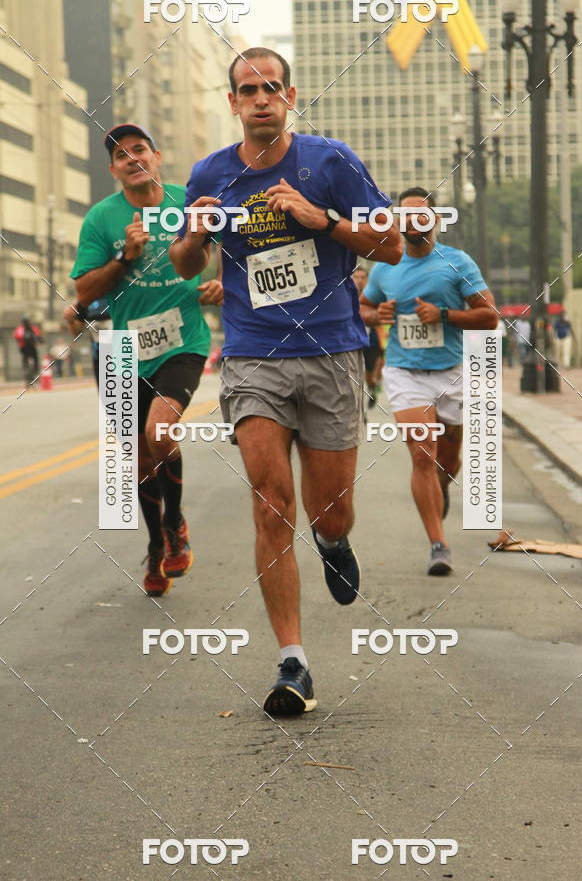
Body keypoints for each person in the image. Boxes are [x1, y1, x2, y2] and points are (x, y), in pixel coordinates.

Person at [170, 47, 402, 716]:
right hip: (252, 358)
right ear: (234, 102)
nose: (262, 98)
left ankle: (333, 540)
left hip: (331, 354)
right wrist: (195, 231)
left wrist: (321, 219)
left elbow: (387, 246)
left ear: (291, 96)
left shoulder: (330, 163)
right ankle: (293, 661)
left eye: (272, 87)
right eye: (249, 89)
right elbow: (186, 264)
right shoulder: (211, 173)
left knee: (329, 508)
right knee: (272, 502)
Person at [71, 123, 220, 596]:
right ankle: (157, 546)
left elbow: (230, 256)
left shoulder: (185, 203)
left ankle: (175, 521)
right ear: (113, 169)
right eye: (121, 154)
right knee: (135, 462)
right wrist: (124, 257)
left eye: (140, 149)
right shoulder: (101, 218)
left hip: (182, 340)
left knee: (160, 433)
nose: (132, 158)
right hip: (121, 350)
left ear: (157, 156)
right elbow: (83, 292)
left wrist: (223, 287)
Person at [360, 187, 498, 576]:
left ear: (434, 220)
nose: (411, 222)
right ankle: (439, 544)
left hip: (452, 371)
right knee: (422, 454)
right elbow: (364, 306)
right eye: (404, 216)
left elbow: (490, 317)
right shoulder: (385, 265)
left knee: (447, 462)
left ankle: (442, 486)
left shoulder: (456, 262)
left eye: (420, 215)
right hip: (405, 373)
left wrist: (444, 316)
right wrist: (376, 314)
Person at [352, 267, 384, 409]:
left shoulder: (373, 298)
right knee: (354, 375)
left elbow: (380, 322)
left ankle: (372, 388)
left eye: (363, 277)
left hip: (371, 339)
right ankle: (358, 407)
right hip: (352, 340)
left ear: (367, 280)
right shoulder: (346, 295)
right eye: (357, 277)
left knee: (370, 376)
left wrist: (383, 345)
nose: (359, 280)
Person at [63, 296, 112, 386]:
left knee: (129, 395)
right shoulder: (86, 299)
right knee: (109, 396)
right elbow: (77, 331)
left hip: (124, 351)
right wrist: (70, 321)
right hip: (100, 354)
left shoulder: (120, 292)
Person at [13, 317, 42, 385]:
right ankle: (27, 372)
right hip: (25, 348)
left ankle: (32, 372)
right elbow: (17, 336)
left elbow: (38, 335)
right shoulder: (20, 329)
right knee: (28, 361)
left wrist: (40, 340)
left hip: (30, 347)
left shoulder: (32, 328)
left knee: (34, 361)